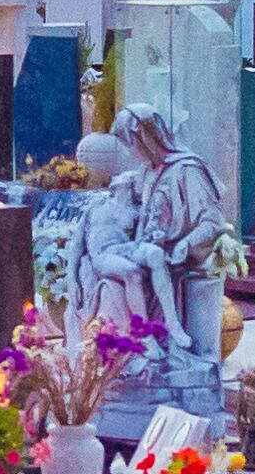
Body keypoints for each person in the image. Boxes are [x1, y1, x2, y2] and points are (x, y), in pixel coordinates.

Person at [78, 100, 228, 342]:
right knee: (109, 272)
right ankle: (126, 348)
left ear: (145, 138)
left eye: (130, 142)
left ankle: (160, 333)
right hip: (146, 249)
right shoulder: (147, 171)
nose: (129, 150)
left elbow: (213, 222)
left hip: (174, 259)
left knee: (134, 271)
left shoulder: (187, 170)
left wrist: (185, 244)